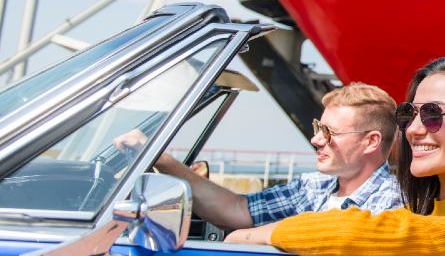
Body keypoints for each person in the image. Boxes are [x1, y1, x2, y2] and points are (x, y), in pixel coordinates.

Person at [225, 55, 445, 256]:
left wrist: (246, 237)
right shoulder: (424, 213)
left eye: (434, 115)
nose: (412, 129)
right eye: (410, 114)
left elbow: (350, 235)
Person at [115, 82, 403, 231]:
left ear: (371, 142)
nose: (316, 139)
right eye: (318, 128)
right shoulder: (312, 187)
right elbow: (238, 210)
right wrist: (164, 162)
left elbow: (335, 243)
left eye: (330, 132)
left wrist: (247, 237)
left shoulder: (392, 199)